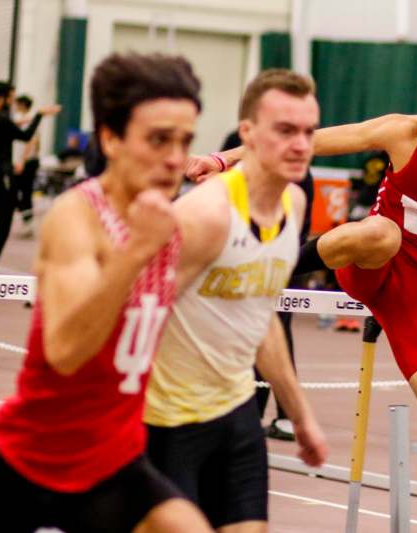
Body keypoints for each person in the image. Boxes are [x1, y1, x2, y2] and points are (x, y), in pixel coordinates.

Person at [190, 56, 417, 532]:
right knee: (381, 233)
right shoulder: (404, 133)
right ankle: (276, 270)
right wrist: (223, 160)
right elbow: (312, 143)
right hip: (370, 264)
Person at [0, 53, 212, 532]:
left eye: (185, 141)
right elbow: (67, 351)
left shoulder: (177, 225)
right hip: (30, 460)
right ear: (111, 138)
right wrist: (136, 251)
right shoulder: (78, 216)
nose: (175, 157)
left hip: (112, 464)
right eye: (158, 139)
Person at [143, 69, 327, 532]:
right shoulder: (204, 216)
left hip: (237, 416)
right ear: (247, 133)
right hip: (168, 424)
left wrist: (301, 417)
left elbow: (260, 318)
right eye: (285, 131)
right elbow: (135, 319)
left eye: (308, 131)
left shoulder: (293, 207)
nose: (301, 145)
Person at [218, 126, 317, 441]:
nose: (300, 144)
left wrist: (301, 417)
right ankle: (254, 412)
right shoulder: (210, 203)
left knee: (275, 325)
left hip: (284, 263)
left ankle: (275, 414)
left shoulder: (299, 187)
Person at [0, 81, 60, 270]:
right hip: (2, 174)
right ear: (3, 98)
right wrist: (39, 115)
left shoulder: (2, 119)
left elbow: (13, 125)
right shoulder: (2, 120)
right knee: (2, 224)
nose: (13, 102)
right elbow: (25, 136)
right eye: (11, 98)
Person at [11, 94, 41, 237]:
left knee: (24, 191)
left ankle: (27, 223)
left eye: (17, 103)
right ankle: (26, 220)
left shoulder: (29, 118)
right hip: (22, 161)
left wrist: (23, 161)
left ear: (23, 104)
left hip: (27, 162)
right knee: (19, 190)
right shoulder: (19, 117)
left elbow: (31, 142)